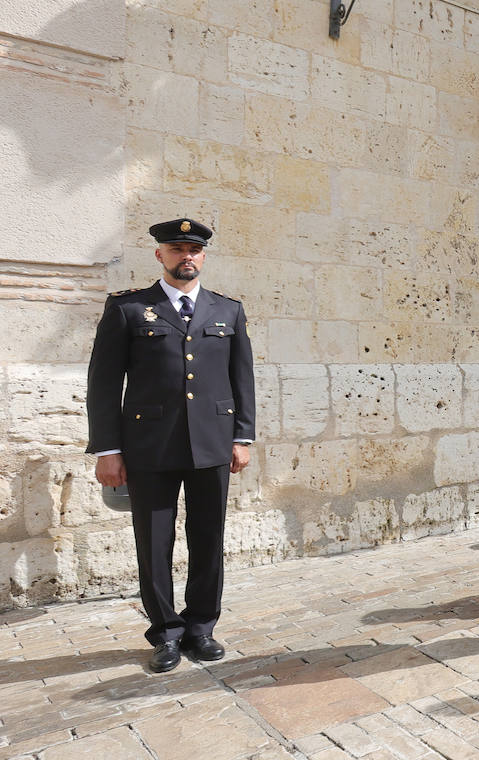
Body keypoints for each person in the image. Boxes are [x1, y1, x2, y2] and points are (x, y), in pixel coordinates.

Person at [86, 218, 255, 673]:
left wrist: (242, 436)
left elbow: (242, 379)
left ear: (203, 256)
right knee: (154, 540)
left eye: (194, 250)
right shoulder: (128, 309)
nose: (186, 257)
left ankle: (201, 627)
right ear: (160, 255)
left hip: (212, 445)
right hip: (149, 447)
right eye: (177, 249)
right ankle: (165, 632)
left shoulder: (227, 310)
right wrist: (107, 450)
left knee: (208, 538)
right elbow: (103, 384)